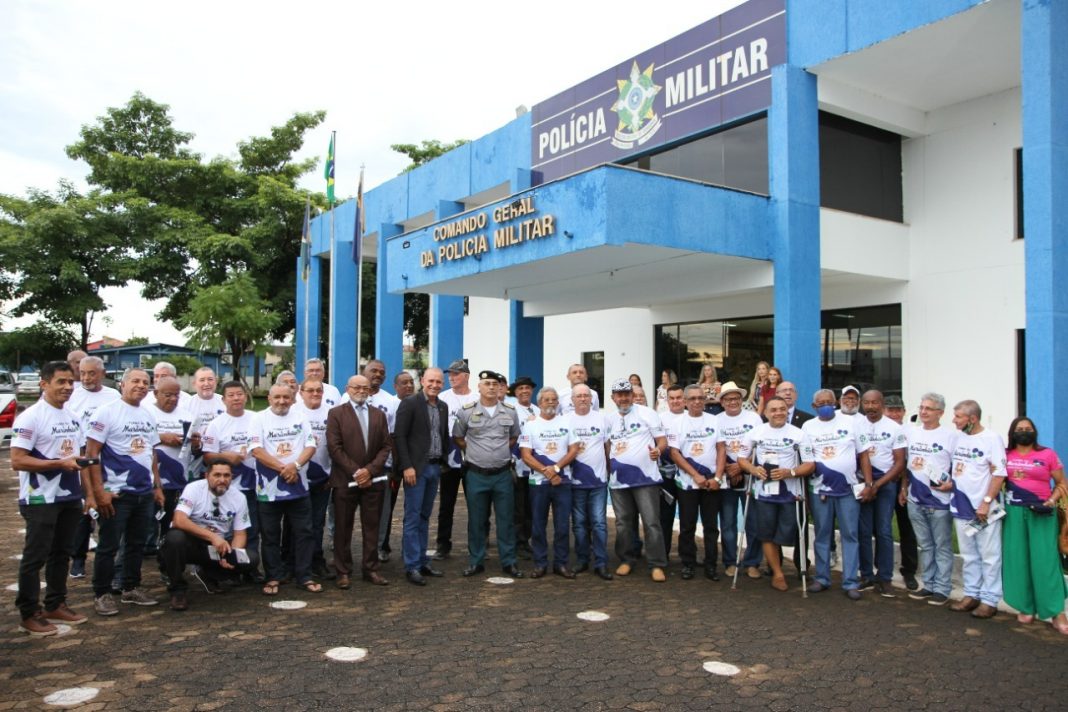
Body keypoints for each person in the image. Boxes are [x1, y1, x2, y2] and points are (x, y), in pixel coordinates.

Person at [12, 361, 89, 636]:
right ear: (44, 384)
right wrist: (59, 464)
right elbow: (18, 460)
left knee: (62, 553)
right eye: (61, 382)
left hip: (69, 496)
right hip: (39, 499)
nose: (67, 387)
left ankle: (55, 604)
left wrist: (88, 493)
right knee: (36, 557)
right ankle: (29, 612)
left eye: (70, 382)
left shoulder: (73, 416)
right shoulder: (31, 417)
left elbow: (78, 457)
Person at [85, 368, 162, 615]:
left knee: (136, 544)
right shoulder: (106, 412)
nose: (141, 385)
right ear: (122, 384)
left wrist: (157, 487)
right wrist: (99, 491)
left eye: (145, 382)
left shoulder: (147, 414)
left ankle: (131, 587)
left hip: (144, 493)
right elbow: (91, 453)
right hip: (117, 493)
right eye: (135, 381)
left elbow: (151, 453)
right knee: (108, 546)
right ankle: (102, 593)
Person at [249, 385, 319, 595]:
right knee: (270, 535)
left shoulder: (300, 417)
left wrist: (295, 466)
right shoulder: (258, 418)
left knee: (304, 533)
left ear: (293, 399)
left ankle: (304, 575)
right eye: (277, 397)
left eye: (286, 397)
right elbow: (257, 451)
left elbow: (311, 446)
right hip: (268, 490)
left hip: (299, 487)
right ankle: (273, 576)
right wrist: (284, 468)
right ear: (269, 398)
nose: (282, 401)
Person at [455, 371, 525, 578]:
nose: (492, 387)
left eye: (495, 384)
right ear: (479, 387)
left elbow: (514, 437)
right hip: (476, 474)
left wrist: (498, 452)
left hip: (502, 474)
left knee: (506, 520)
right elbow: (458, 437)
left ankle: (509, 562)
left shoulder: (510, 411)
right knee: (476, 521)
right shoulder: (466, 411)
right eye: (487, 383)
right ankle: (476, 561)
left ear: (500, 387)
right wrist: (475, 451)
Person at [738, 396, 812, 591]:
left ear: (787, 411)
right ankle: (778, 574)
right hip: (764, 493)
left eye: (782, 409)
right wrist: (753, 470)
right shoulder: (755, 433)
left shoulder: (799, 434)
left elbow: (810, 464)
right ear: (765, 413)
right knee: (766, 534)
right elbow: (742, 458)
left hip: (790, 493)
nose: (778, 412)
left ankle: (779, 565)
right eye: (773, 409)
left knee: (787, 533)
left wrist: (791, 472)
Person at [160, 461, 257, 611]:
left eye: (226, 475)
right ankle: (177, 590)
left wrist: (230, 554)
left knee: (250, 558)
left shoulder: (239, 497)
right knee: (175, 538)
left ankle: (209, 573)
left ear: (231, 477)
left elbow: (240, 534)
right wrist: (212, 537)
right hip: (190, 543)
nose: (222, 480)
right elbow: (179, 520)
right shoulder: (193, 488)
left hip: (216, 548)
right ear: (207, 476)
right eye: (217, 475)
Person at [1002, 416, 1068, 633]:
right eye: (1019, 429)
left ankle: (1057, 611)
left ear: (1035, 432)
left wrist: (1052, 500)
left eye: (1028, 428)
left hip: (1042, 512)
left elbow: (1061, 483)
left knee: (1046, 561)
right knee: (1018, 560)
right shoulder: (1005, 454)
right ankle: (1026, 606)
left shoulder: (1047, 454)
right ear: (1013, 433)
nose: (1024, 432)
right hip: (1014, 513)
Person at [326, 375, 393, 588]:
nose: (362, 391)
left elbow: (386, 446)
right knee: (343, 527)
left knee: (372, 527)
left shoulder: (379, 415)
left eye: (365, 387)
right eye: (357, 387)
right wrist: (356, 472)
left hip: (373, 481)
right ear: (348, 389)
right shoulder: (336, 413)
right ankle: (343, 571)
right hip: (345, 480)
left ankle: (371, 569)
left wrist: (369, 471)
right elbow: (334, 447)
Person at [801, 388, 865, 599]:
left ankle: (851, 581)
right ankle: (822, 578)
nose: (826, 406)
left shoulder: (851, 423)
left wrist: (868, 483)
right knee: (822, 534)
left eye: (829, 402)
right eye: (821, 404)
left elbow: (863, 454)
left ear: (836, 402)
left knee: (850, 534)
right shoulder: (808, 426)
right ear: (814, 406)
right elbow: (807, 459)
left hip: (848, 489)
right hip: (820, 490)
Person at [947, 400, 1007, 619]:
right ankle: (971, 594)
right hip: (961, 505)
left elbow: (999, 473)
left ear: (972, 418)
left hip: (984, 508)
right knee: (969, 554)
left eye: (958, 416)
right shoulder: (958, 438)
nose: (954, 420)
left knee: (989, 555)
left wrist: (986, 502)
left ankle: (990, 599)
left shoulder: (992, 439)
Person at [606, 378, 668, 582]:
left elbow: (662, 441)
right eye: (619, 395)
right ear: (613, 398)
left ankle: (656, 564)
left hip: (646, 479)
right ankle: (627, 559)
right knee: (623, 523)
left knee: (651, 522)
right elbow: (607, 446)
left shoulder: (647, 413)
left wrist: (658, 450)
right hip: (618, 482)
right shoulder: (608, 420)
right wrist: (608, 469)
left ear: (632, 396)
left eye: (627, 394)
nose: (623, 398)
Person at [200, 381, 261, 583]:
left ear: (245, 396)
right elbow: (207, 456)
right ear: (224, 399)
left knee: (252, 528)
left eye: (239, 394)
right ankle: (228, 568)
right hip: (227, 488)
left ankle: (249, 567)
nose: (236, 398)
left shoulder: (256, 419)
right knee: (228, 529)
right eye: (231, 395)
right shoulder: (216, 424)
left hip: (254, 484)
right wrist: (227, 457)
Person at [394, 367, 449, 586]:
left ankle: (422, 560)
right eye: (431, 381)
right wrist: (407, 466)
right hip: (416, 469)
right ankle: (412, 566)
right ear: (423, 381)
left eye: (439, 382)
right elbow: (399, 436)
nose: (435, 385)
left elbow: (442, 435)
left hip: (435, 467)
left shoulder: (443, 406)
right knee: (413, 517)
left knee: (425, 516)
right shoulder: (410, 403)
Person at [67, 355, 120, 579]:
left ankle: (111, 559)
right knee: (84, 511)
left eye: (91, 373)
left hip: (107, 461)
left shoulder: (113, 395)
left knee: (109, 508)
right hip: (80, 459)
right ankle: (78, 558)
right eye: (82, 373)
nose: (87, 378)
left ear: (102, 374)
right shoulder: (72, 395)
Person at [900, 392, 956, 605]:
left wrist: (952, 484)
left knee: (942, 545)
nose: (923, 412)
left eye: (929, 409)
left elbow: (959, 467)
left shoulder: (951, 436)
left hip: (939, 501)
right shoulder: (911, 433)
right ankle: (929, 585)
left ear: (940, 412)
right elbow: (906, 464)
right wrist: (904, 488)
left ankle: (942, 588)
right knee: (925, 545)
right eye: (921, 407)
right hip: (915, 499)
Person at [518, 386, 576, 578]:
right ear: (540, 403)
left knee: (562, 526)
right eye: (546, 399)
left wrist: (557, 468)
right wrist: (548, 472)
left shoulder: (567, 422)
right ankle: (540, 563)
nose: (551, 402)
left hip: (563, 482)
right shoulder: (531, 425)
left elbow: (574, 450)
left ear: (558, 402)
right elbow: (526, 455)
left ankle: (561, 564)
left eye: (554, 399)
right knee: (538, 525)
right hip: (538, 484)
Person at [669, 385, 724, 581]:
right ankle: (688, 563)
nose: (697, 401)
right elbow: (675, 453)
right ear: (685, 401)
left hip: (711, 482)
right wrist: (695, 475)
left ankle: (711, 565)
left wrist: (717, 477)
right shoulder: (677, 423)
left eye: (700, 398)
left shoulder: (715, 420)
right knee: (687, 525)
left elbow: (721, 449)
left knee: (711, 526)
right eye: (692, 398)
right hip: (687, 483)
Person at [855, 390, 907, 598]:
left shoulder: (894, 428)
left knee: (884, 530)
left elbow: (900, 463)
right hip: (862, 483)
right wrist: (868, 484)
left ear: (882, 404)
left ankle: (885, 577)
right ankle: (866, 574)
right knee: (863, 530)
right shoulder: (856, 425)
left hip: (885, 483)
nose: (870, 407)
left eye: (874, 403)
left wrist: (877, 485)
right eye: (866, 403)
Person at [143, 376, 193, 582]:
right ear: (155, 394)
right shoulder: (146, 413)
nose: (173, 399)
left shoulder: (187, 415)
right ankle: (129, 573)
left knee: (170, 527)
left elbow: (192, 447)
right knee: (145, 525)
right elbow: (140, 440)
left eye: (176, 395)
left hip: (177, 480)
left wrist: (195, 441)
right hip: (150, 481)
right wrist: (163, 437)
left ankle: (167, 568)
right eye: (167, 394)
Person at [715, 381, 764, 579]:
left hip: (750, 475)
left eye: (736, 398)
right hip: (726, 477)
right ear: (722, 402)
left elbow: (761, 446)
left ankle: (752, 562)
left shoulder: (754, 418)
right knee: (728, 522)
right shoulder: (716, 420)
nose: (732, 402)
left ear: (741, 399)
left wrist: (742, 467)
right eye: (728, 399)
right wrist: (730, 469)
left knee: (753, 521)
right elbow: (715, 449)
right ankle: (730, 561)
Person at [568, 383, 612, 580]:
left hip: (598, 482)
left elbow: (607, 447)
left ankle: (601, 563)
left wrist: (610, 470)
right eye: (579, 396)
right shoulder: (566, 420)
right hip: (575, 482)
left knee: (599, 523)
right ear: (572, 400)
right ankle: (582, 559)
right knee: (579, 523)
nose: (583, 399)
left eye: (586, 395)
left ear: (592, 399)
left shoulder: (602, 418)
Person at [435, 359, 477, 560]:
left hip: (473, 458)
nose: (451, 377)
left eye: (456, 374)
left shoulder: (477, 398)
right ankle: (443, 544)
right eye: (449, 374)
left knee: (476, 504)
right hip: (449, 459)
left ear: (466, 376)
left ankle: (477, 543)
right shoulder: (442, 398)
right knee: (446, 504)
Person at [294, 378, 334, 580]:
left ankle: (316, 561)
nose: (315, 394)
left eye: (319, 390)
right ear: (301, 392)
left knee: (317, 523)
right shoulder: (294, 412)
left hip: (323, 477)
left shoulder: (331, 413)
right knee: (298, 523)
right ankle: (295, 562)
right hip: (297, 477)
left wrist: (333, 474)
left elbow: (337, 445)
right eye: (310, 390)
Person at [363, 360, 401, 564]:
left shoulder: (391, 401)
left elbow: (393, 436)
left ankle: (378, 548)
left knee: (381, 511)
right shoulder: (348, 397)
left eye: (381, 372)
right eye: (374, 370)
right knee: (345, 511)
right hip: (353, 466)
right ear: (364, 372)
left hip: (382, 466)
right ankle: (340, 547)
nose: (377, 374)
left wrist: (392, 466)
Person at [884, 394, 920, 590]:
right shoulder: (879, 428)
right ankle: (882, 568)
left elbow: (909, 461)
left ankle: (909, 570)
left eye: (898, 410)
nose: (894, 414)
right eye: (890, 410)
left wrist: (904, 486)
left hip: (905, 483)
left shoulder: (912, 431)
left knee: (907, 528)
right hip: (884, 483)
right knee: (882, 527)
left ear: (904, 412)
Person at [510, 376, 539, 558]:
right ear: (515, 392)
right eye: (520, 388)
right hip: (517, 465)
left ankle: (525, 540)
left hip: (535, 467)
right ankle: (517, 542)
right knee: (517, 507)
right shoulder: (511, 411)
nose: (524, 391)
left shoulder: (538, 410)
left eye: (527, 388)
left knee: (530, 507)